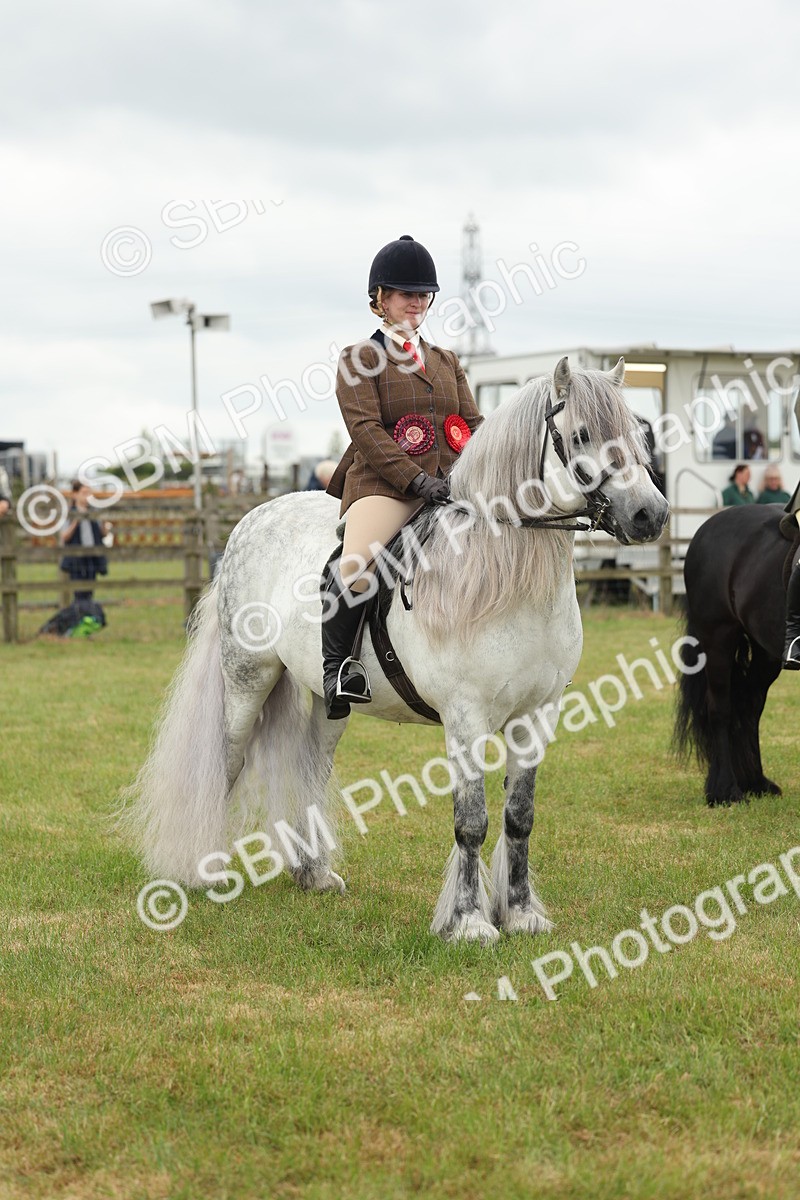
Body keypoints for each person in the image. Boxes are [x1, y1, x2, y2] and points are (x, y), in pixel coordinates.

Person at [323, 234, 483, 719]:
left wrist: (484, 468)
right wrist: (416, 482)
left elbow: (472, 425)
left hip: (451, 482)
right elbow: (367, 430)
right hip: (385, 485)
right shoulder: (359, 359)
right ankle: (339, 668)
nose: (416, 302)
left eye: (422, 294)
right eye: (405, 294)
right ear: (381, 300)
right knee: (355, 566)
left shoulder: (445, 361)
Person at [59, 480, 111, 601]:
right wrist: (76, 520)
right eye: (84, 493)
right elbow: (64, 536)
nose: (87, 496)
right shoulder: (69, 513)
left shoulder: (94, 512)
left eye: (89, 493)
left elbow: (103, 534)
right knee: (79, 591)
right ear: (75, 494)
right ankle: (81, 615)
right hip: (76, 557)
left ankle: (88, 616)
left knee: (90, 590)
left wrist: (104, 524)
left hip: (92, 556)